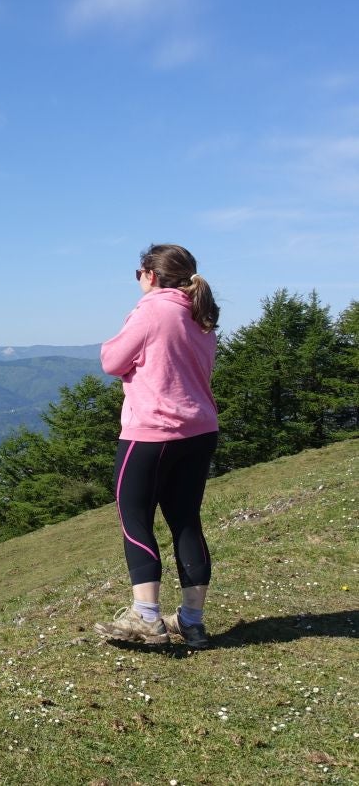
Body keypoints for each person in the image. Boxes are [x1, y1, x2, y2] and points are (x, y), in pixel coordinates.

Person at [92, 244, 220, 649]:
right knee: (185, 520)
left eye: (138, 273)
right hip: (199, 431)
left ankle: (146, 616)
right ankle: (192, 622)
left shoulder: (152, 310)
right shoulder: (201, 315)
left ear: (149, 274)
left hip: (151, 432)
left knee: (135, 517)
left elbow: (113, 361)